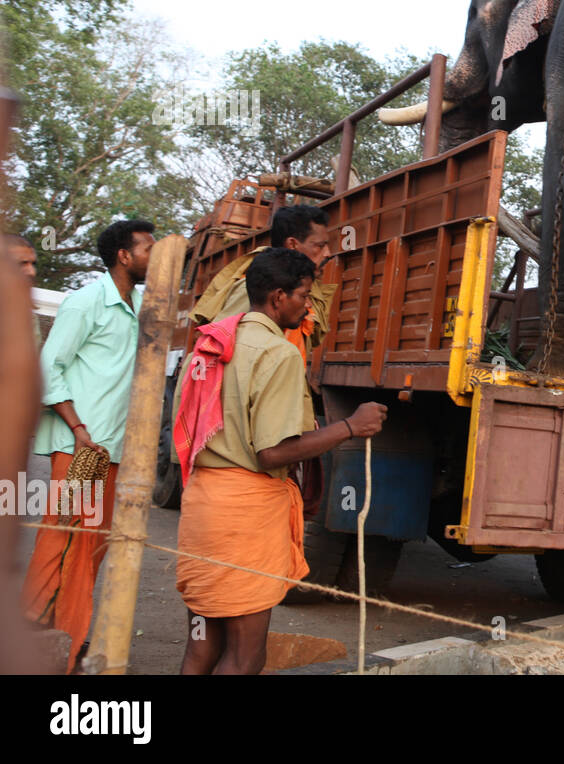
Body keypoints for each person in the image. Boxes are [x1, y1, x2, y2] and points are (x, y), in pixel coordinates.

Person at [174, 248, 387, 675]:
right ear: (277, 297)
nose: (308, 305)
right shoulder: (279, 353)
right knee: (246, 653)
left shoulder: (211, 344)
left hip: (202, 509)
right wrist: (350, 426)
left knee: (201, 646)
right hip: (244, 517)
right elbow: (272, 452)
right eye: (304, 296)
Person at [21, 219, 155, 672]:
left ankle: (66, 637)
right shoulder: (85, 301)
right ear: (124, 255)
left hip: (113, 449)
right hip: (84, 447)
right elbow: (49, 367)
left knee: (91, 545)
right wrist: (78, 429)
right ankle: (55, 638)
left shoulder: (139, 305)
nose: (153, 257)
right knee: (67, 540)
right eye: (148, 249)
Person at [191, 205, 336, 364]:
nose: (328, 253)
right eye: (320, 246)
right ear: (293, 244)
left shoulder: (301, 290)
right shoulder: (256, 288)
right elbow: (219, 353)